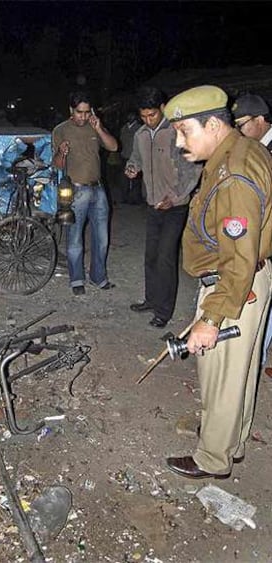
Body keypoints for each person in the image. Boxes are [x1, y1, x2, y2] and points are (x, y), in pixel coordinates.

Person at [163, 85, 272, 479]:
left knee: (222, 376)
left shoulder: (234, 173)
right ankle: (232, 443)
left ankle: (212, 458)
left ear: (212, 124)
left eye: (184, 131)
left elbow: (239, 256)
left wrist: (211, 319)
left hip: (233, 282)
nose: (179, 143)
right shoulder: (240, 151)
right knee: (238, 373)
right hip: (245, 279)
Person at [125, 86, 202, 328]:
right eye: (143, 117)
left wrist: (176, 196)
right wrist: (132, 168)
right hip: (153, 204)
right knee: (151, 256)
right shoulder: (140, 135)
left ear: (162, 109)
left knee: (166, 258)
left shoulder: (177, 132)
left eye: (152, 115)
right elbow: (136, 159)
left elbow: (194, 169)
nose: (148, 121)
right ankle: (151, 299)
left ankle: (164, 311)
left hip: (175, 206)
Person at [52, 91, 118, 296]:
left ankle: (98, 277)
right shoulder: (60, 130)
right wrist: (61, 152)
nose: (83, 116)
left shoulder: (93, 125)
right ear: (71, 110)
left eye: (86, 112)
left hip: (98, 189)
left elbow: (114, 147)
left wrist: (98, 128)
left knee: (102, 237)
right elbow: (56, 165)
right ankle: (76, 279)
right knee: (75, 238)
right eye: (79, 112)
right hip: (76, 190)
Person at [232, 93, 272, 373]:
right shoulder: (253, 148)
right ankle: (258, 352)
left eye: (243, 124)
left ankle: (257, 355)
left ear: (260, 120)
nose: (239, 131)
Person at [119, 112, 143, 204]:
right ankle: (125, 197)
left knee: (136, 180)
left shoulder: (139, 128)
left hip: (135, 156)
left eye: (131, 115)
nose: (129, 116)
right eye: (128, 115)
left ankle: (135, 198)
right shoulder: (124, 128)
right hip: (125, 155)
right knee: (124, 178)